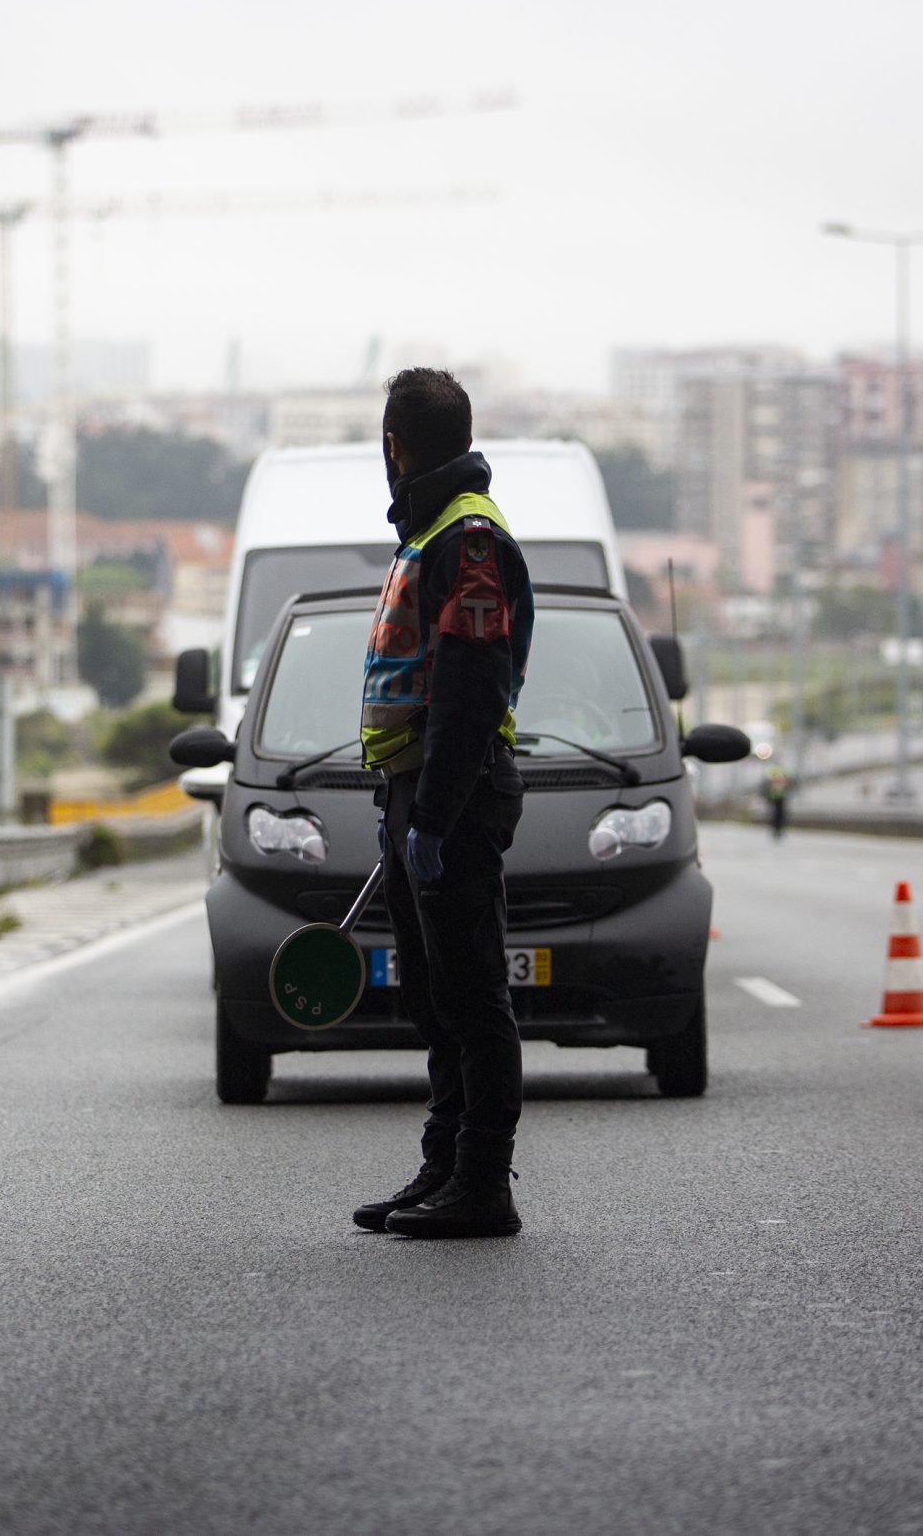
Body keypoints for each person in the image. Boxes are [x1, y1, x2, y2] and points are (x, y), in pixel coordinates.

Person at [350, 368, 535, 1239]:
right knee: (436, 993)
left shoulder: (465, 538)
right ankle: (444, 1165)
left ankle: (483, 1183)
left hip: (449, 796)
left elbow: (469, 687)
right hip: (418, 791)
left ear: (395, 445)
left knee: (472, 992)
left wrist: (429, 815)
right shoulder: (428, 532)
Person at [762, 763, 791, 841]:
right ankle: (775, 829)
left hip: (781, 796)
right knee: (774, 814)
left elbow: (787, 783)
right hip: (773, 796)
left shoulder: (780, 772)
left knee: (780, 814)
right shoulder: (773, 771)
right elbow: (768, 783)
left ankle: (779, 829)